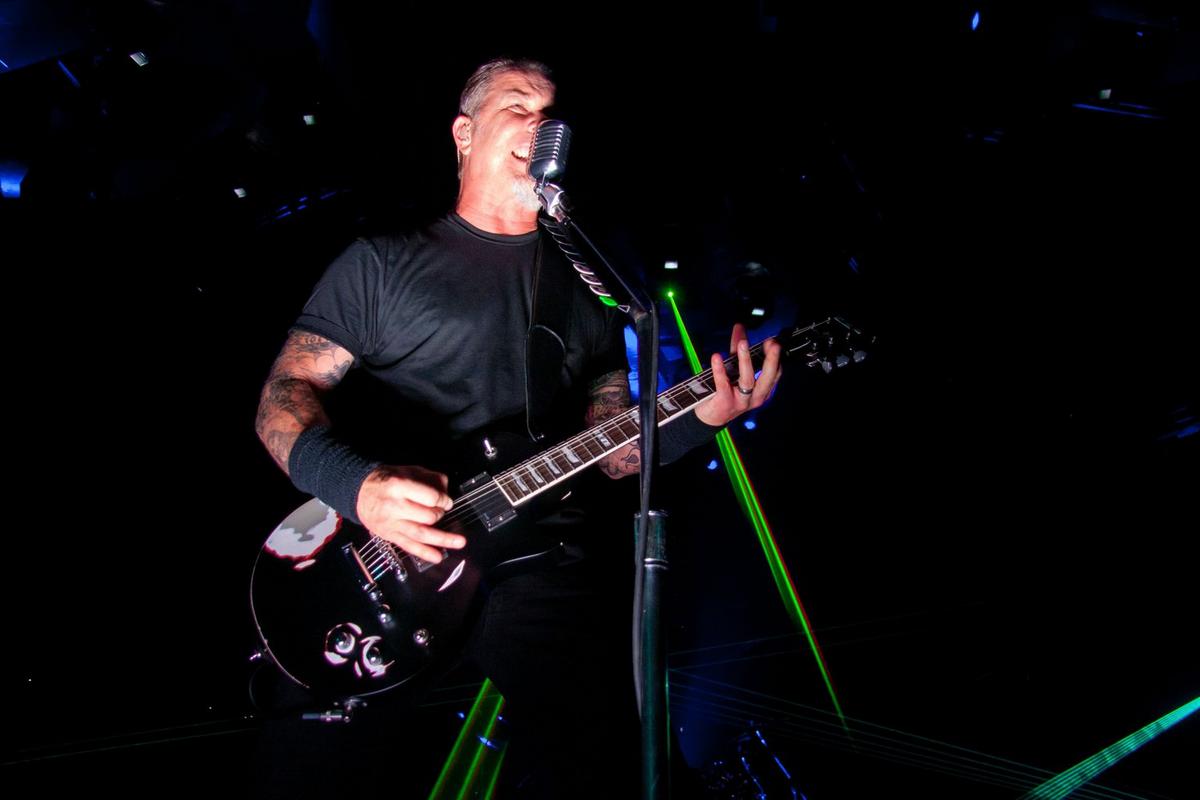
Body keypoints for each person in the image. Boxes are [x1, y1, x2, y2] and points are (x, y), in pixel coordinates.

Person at [254, 56, 782, 798]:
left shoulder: (590, 288)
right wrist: (359, 487)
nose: (542, 126)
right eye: (519, 108)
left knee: (606, 761)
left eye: (551, 116)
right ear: (464, 133)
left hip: (534, 563)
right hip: (380, 558)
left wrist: (704, 420)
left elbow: (613, 451)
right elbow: (283, 395)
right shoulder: (383, 263)